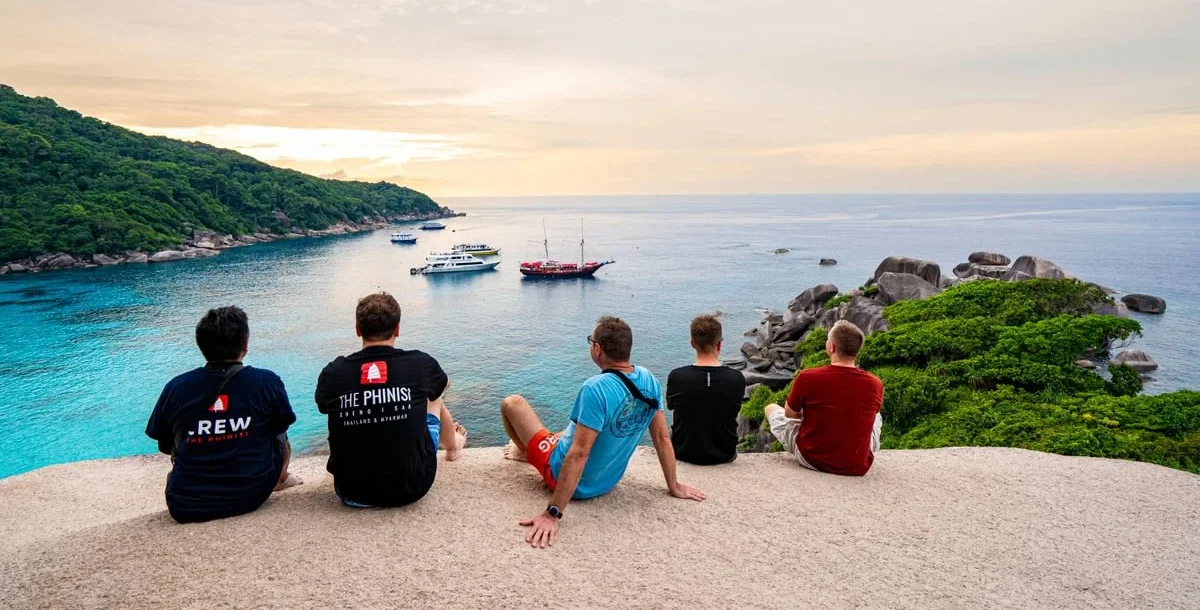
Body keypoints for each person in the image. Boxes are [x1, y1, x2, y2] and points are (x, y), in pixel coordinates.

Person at [500, 316, 707, 548]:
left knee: (512, 403)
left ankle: (521, 452)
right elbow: (661, 438)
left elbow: (579, 454)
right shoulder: (649, 380)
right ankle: (539, 444)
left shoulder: (594, 388)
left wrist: (552, 513)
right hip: (608, 481)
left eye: (591, 342)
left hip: (565, 476)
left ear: (597, 349)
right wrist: (674, 486)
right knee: (572, 430)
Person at [145, 306, 299, 523]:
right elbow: (282, 424)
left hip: (186, 503)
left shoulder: (176, 387)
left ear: (201, 345)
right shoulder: (266, 382)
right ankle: (281, 480)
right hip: (252, 494)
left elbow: (164, 445)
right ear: (245, 345)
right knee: (281, 431)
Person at [315, 292, 467, 508]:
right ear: (397, 328)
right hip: (413, 487)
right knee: (434, 396)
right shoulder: (420, 363)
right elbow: (443, 383)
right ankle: (453, 448)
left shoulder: (334, 372)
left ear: (358, 330)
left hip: (351, 491)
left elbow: (323, 406)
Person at [764, 319, 884, 476]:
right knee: (876, 415)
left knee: (771, 408)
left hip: (811, 458)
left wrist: (810, 414)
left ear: (832, 347)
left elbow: (790, 414)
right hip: (857, 463)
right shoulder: (875, 384)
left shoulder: (808, 377)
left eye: (828, 339)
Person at [667, 314, 746, 465]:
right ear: (719, 345)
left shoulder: (676, 376)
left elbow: (671, 405)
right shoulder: (737, 378)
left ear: (692, 343)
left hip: (683, 452)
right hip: (724, 453)